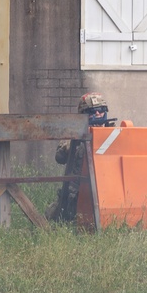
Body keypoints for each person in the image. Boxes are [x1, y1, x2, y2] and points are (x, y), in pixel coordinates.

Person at [47, 92, 117, 223]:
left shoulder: (114, 134)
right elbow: (59, 157)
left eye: (101, 110)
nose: (97, 115)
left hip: (107, 188)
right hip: (77, 191)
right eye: (92, 111)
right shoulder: (76, 133)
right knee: (57, 218)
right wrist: (78, 139)